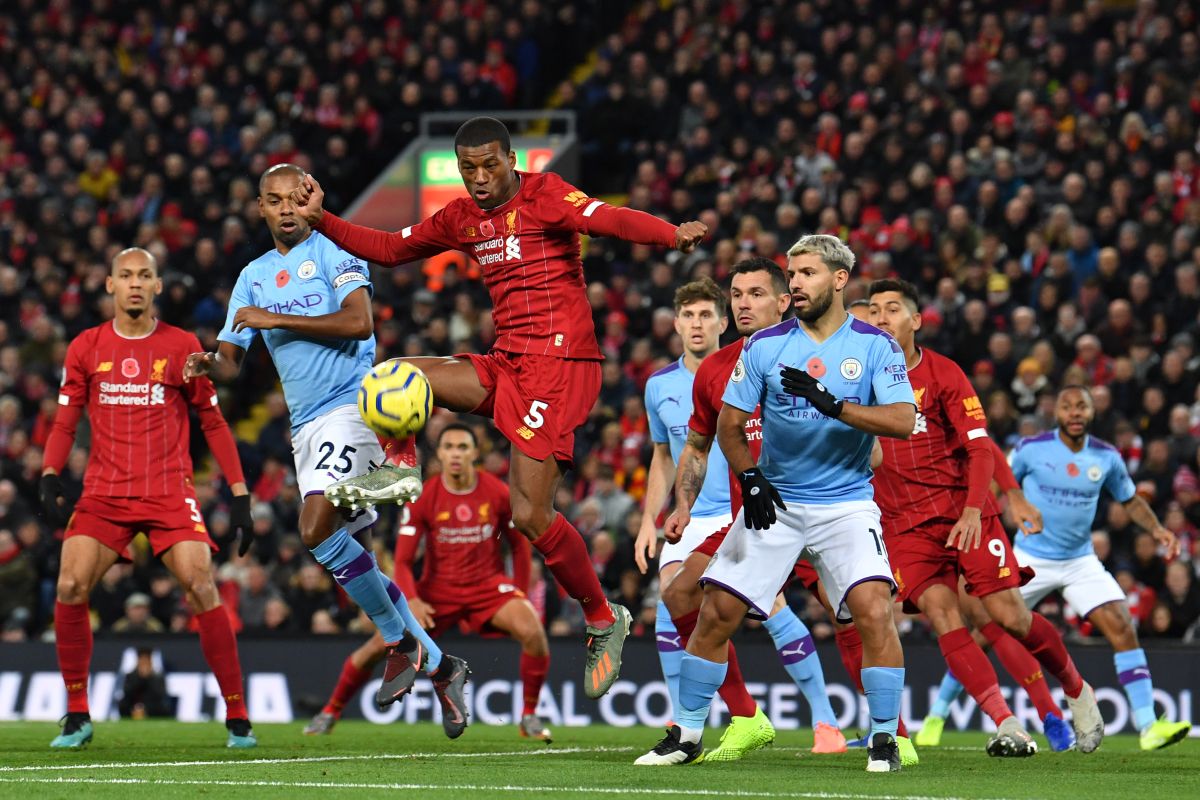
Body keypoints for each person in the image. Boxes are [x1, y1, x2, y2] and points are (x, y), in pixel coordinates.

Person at [289, 116, 708, 696]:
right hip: (508, 361)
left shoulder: (547, 194)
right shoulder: (462, 217)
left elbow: (608, 218)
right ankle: (402, 465)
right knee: (396, 373)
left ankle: (602, 617)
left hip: (561, 369)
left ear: (512, 160)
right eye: (468, 169)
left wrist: (669, 234)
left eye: (490, 165)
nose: (480, 178)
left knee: (530, 517)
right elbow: (389, 249)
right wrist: (321, 220)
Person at [185, 164, 469, 733]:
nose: (287, 208)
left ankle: (398, 640)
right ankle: (440, 666)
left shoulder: (334, 250)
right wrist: (205, 363)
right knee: (350, 555)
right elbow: (233, 362)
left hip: (355, 405)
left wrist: (275, 318)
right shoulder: (253, 276)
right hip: (304, 427)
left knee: (314, 526)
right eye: (274, 200)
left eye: (296, 198)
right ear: (260, 209)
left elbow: (360, 321)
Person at [637, 234, 915, 771]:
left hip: (845, 502)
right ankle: (690, 733)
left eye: (806, 273)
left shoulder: (874, 347)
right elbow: (728, 425)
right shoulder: (764, 349)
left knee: (874, 611)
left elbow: (902, 421)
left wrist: (833, 405)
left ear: (838, 279)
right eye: (792, 274)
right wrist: (753, 479)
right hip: (776, 502)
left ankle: (885, 737)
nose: (797, 282)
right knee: (714, 611)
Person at [867, 278, 1100, 756]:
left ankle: (1076, 689)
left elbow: (980, 447)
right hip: (903, 522)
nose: (881, 318)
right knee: (940, 613)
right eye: (873, 310)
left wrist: (991, 503)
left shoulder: (943, 374)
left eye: (892, 309)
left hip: (963, 512)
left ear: (915, 321)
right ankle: (1008, 722)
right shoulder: (855, 377)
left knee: (1010, 617)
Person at [40, 247, 256, 749]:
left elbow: (214, 421)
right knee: (70, 584)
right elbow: (65, 420)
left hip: (167, 493)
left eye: (144, 276)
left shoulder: (182, 345)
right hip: (104, 494)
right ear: (110, 285)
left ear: (158, 286)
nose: (135, 283)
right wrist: (51, 471)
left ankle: (238, 716)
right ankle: (77, 714)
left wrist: (240, 492)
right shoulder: (85, 347)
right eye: (125, 275)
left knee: (202, 586)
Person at [304, 423, 554, 742]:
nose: (455, 454)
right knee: (378, 646)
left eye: (463, 447)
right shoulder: (424, 496)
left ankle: (529, 717)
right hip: (436, 594)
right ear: (439, 453)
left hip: (487, 589)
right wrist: (414, 600)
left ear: (475, 453)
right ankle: (330, 711)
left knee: (533, 632)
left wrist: (518, 589)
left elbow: (519, 547)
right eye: (449, 447)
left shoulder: (498, 493)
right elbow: (404, 561)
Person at [1008, 386, 1192, 751]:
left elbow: (1130, 499)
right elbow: (997, 479)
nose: (1075, 413)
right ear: (1056, 413)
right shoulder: (1031, 449)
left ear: (1091, 413)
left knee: (1122, 625)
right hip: (1030, 556)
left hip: (1079, 560)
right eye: (1067, 406)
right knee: (983, 629)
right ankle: (937, 714)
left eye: (1082, 407)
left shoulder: (1106, 457)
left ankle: (1148, 725)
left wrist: (1157, 529)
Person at [118, 648, 174, 719]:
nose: (144, 664)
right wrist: (140, 678)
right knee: (123, 703)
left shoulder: (158, 676)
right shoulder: (130, 676)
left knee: (163, 705)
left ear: (151, 662)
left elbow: (160, 694)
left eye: (146, 661)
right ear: (138, 662)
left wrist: (149, 677)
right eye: (142, 661)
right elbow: (127, 692)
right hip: (133, 705)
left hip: (151, 706)